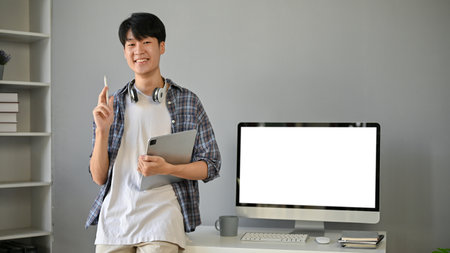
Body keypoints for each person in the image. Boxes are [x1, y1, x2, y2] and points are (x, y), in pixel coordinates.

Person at [85, 12, 221, 253]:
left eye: (146, 42)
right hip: (115, 222)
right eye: (131, 44)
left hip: (162, 222)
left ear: (162, 47)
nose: (139, 50)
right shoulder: (111, 105)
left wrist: (167, 169)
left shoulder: (187, 101)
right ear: (125, 51)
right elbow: (98, 177)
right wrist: (102, 131)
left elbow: (211, 165)